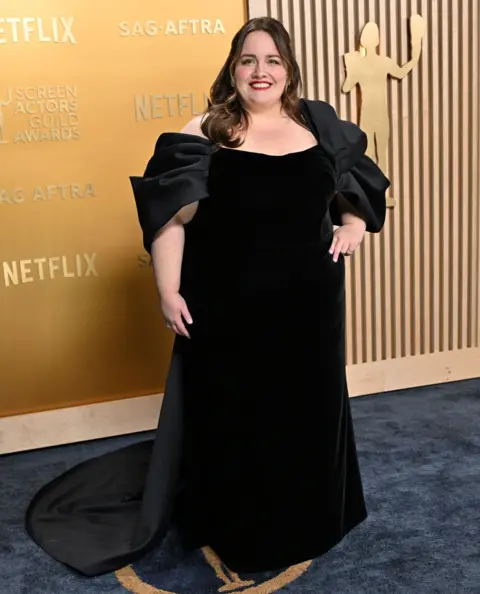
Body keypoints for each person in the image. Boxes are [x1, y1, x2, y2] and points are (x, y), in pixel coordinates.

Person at [25, 17, 390, 577]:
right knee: (238, 415)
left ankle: (312, 518)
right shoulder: (207, 129)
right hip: (229, 305)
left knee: (305, 412)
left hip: (309, 306)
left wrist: (352, 224)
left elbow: (354, 184)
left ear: (289, 71)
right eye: (248, 60)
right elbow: (172, 214)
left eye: (272, 60)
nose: (260, 71)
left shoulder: (318, 122)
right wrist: (168, 289)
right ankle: (241, 529)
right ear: (233, 69)